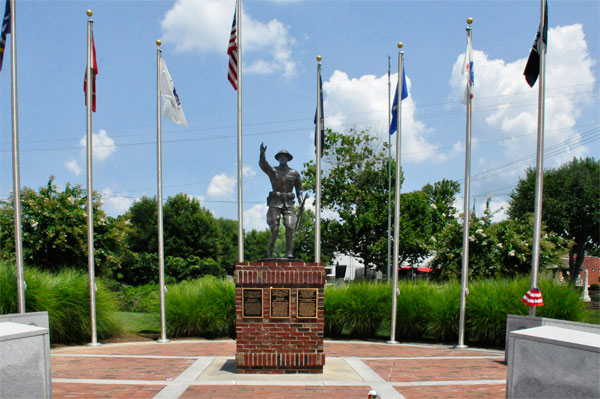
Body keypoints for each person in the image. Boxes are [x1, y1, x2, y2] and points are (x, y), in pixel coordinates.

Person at [259, 143, 303, 258]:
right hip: (275, 201)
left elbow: (299, 189)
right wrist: (262, 154)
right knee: (275, 229)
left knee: (290, 226)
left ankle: (289, 251)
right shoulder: (273, 171)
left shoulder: (294, 173)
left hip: (288, 202)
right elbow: (264, 165)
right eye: (280, 156)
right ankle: (270, 250)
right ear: (278, 158)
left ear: (288, 159)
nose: (283, 158)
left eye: (285, 156)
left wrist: (300, 200)